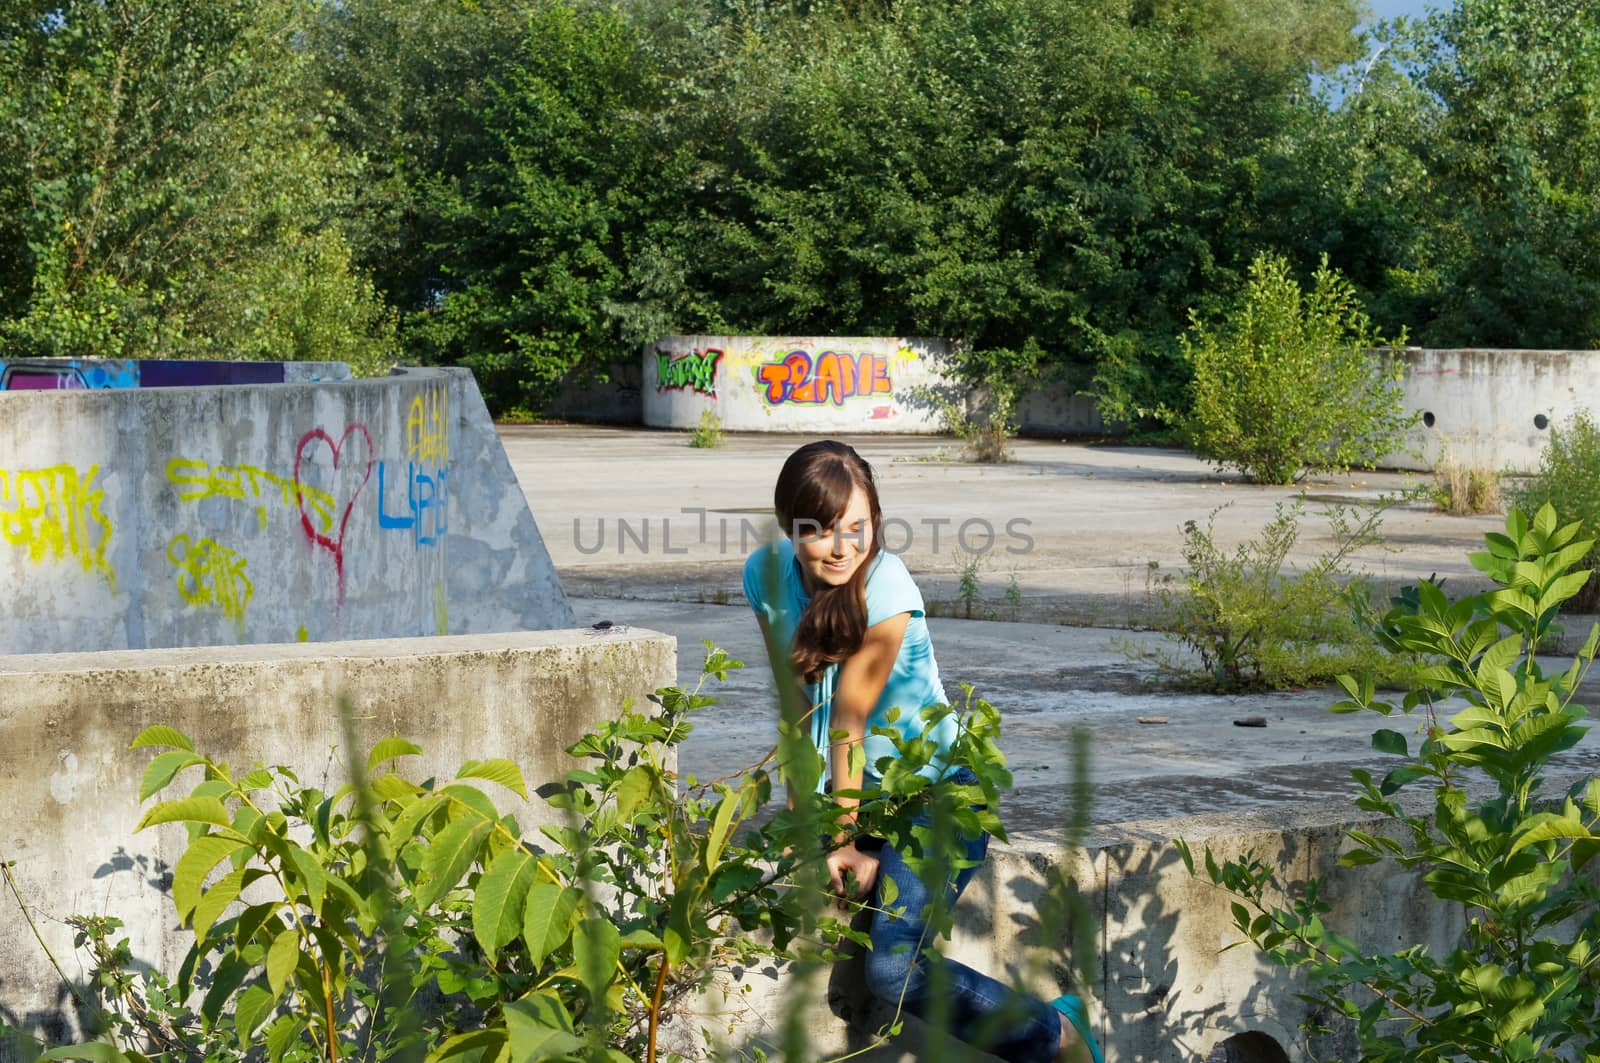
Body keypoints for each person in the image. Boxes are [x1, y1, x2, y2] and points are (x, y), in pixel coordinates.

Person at [742, 440, 1103, 1063]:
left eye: (857, 528)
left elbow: (847, 723)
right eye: (820, 531)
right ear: (788, 527)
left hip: (936, 798)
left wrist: (842, 840)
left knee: (890, 969)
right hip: (860, 799)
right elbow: (797, 714)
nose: (841, 548)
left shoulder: (887, 587)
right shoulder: (765, 575)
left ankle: (1058, 1033)